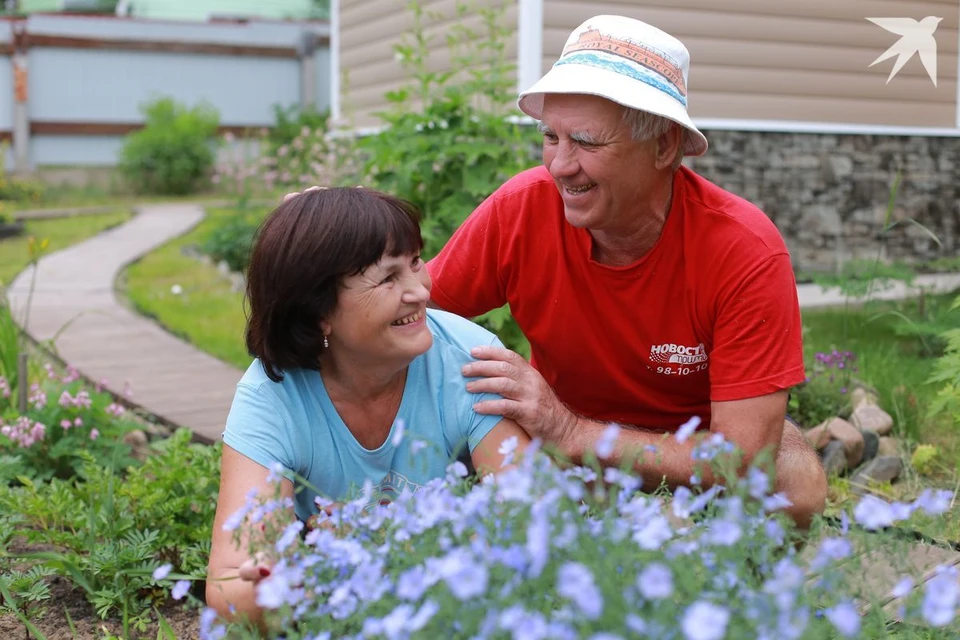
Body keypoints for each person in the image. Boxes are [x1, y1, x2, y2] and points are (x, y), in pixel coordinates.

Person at [424, 15, 828, 526]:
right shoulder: (523, 208)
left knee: (797, 484)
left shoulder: (742, 250)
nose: (559, 165)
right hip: (558, 444)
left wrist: (573, 432)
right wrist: (335, 251)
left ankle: (728, 591)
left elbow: (741, 458)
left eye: (587, 143)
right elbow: (416, 305)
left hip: (686, 453)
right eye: (551, 136)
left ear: (663, 146)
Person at [206, 187, 531, 626]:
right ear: (318, 311)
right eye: (387, 279)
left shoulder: (471, 360)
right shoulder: (273, 396)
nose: (419, 291)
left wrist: (391, 554)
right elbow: (229, 584)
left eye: (415, 263)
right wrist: (273, 588)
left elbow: (528, 517)